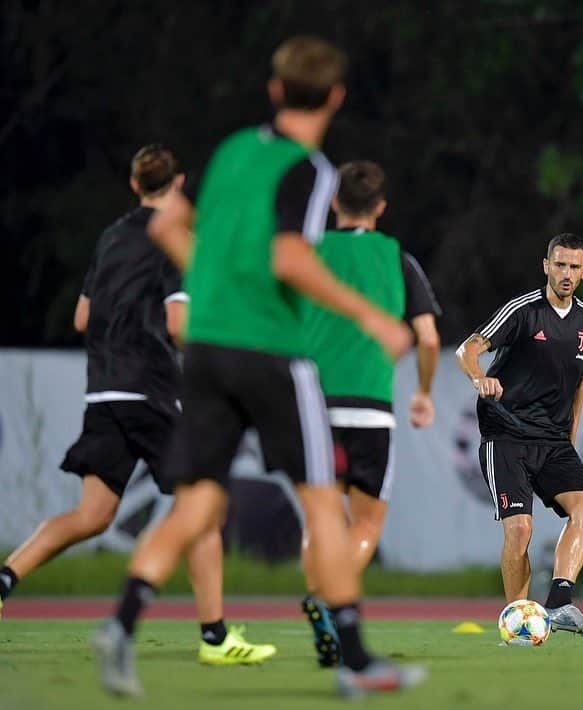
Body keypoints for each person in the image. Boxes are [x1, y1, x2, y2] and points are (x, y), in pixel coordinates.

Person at [90, 37, 424, 698]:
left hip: (207, 349)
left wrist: (212, 281)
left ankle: (122, 621)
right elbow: (289, 260)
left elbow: (167, 230)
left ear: (274, 91)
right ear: (334, 97)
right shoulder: (311, 169)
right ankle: (355, 659)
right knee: (322, 502)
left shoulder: (234, 151)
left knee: (198, 499)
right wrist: (372, 317)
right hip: (269, 348)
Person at [0, 145, 274, 666]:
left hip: (103, 390)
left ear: (134, 185)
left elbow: (83, 318)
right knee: (203, 505)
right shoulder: (174, 240)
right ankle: (216, 637)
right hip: (150, 391)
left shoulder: (110, 238)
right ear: (179, 183)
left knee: (92, 514)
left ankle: (4, 578)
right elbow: (178, 325)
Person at [299, 160, 442, 666]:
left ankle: (323, 603)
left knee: (320, 518)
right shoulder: (396, 257)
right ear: (381, 207)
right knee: (364, 526)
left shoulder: (307, 253)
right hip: (370, 409)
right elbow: (427, 337)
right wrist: (423, 392)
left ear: (333, 203)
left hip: (311, 406)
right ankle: (328, 604)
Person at [455, 233, 583, 634]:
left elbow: (579, 385)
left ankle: (560, 604)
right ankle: (519, 620)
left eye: (574, 266)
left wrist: (570, 439)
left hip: (554, 441)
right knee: (520, 528)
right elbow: (466, 350)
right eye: (559, 265)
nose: (566, 273)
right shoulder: (523, 310)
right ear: (546, 266)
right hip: (506, 433)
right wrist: (479, 379)